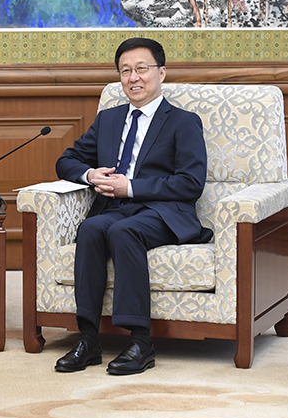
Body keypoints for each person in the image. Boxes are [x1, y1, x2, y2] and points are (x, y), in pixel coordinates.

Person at [54, 37, 207, 375]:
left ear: (161, 73)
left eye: (141, 69)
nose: (133, 78)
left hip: (163, 211)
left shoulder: (183, 121)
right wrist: (90, 174)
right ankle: (88, 339)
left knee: (125, 231)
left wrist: (132, 187)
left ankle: (140, 342)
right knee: (91, 228)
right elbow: (66, 161)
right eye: (125, 71)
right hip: (114, 208)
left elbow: (191, 182)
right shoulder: (108, 120)